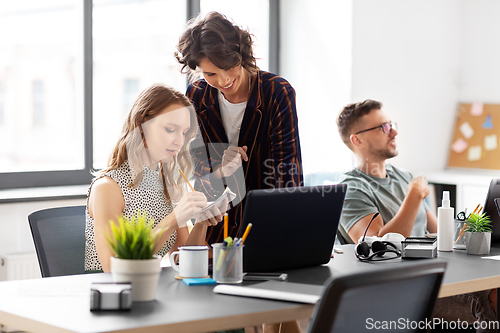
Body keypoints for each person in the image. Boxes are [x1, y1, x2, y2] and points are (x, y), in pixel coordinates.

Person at [175, 12, 303, 333]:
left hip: (270, 219)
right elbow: (200, 170)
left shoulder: (276, 91)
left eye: (227, 68)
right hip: (220, 224)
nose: (221, 80)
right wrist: (218, 167)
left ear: (240, 54)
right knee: (236, 315)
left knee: (278, 309)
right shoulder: (197, 96)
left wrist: (288, 229)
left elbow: (286, 167)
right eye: (209, 73)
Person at [336, 99, 497, 331]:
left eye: (391, 124)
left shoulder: (404, 176)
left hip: (436, 275)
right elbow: (377, 247)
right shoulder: (352, 187)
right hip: (400, 289)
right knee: (491, 296)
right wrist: (413, 196)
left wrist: (472, 229)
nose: (394, 131)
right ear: (357, 139)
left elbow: (438, 233)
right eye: (383, 127)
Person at [85, 84, 226, 273]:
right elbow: (113, 268)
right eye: (170, 129)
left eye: (184, 132)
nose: (180, 141)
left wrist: (201, 222)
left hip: (149, 289)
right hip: (112, 295)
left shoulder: (170, 186)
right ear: (142, 125)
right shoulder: (107, 188)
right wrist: (173, 219)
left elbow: (184, 262)